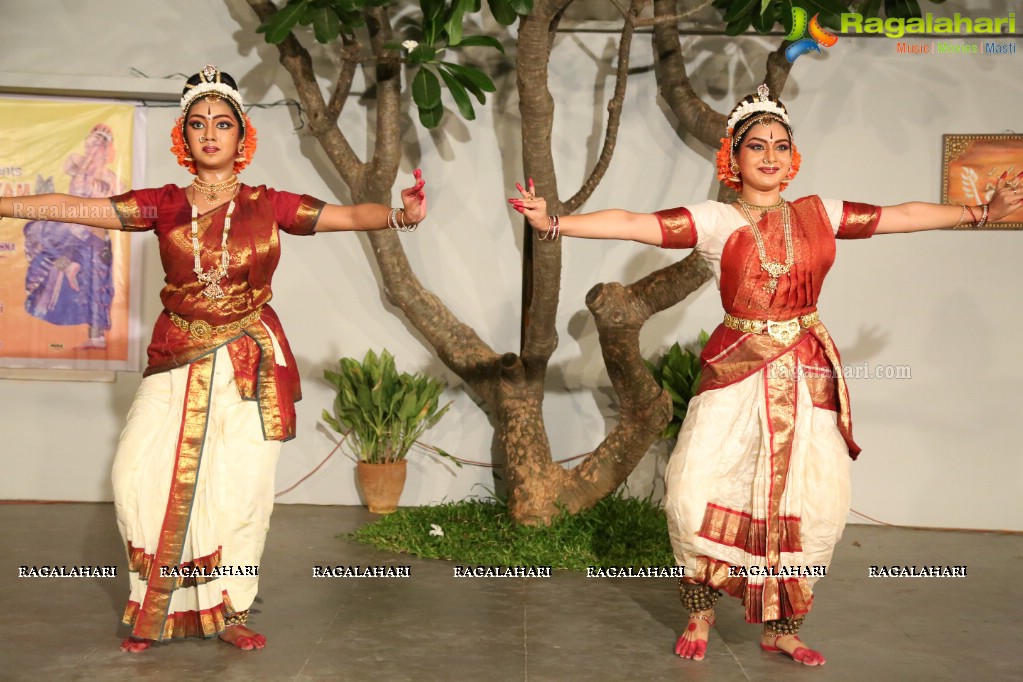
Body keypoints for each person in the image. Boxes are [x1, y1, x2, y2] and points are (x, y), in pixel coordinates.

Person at [510, 84, 1023, 667]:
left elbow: (899, 215)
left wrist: (980, 212)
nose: (771, 157)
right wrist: (555, 223)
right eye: (757, 147)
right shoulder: (713, 220)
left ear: (793, 156)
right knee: (694, 491)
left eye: (781, 145)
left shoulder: (818, 214)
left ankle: (783, 626)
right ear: (735, 157)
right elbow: (633, 222)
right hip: (737, 369)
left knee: (810, 500)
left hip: (806, 374)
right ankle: (699, 613)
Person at [0, 65, 427, 653]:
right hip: (177, 353)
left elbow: (351, 216)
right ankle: (156, 609)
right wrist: (6, 205)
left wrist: (402, 213)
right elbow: (80, 207)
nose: (209, 133)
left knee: (239, 490)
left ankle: (229, 611)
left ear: (240, 136)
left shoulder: (267, 204)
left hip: (247, 362)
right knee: (134, 476)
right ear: (185, 136)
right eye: (198, 124)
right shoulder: (164, 204)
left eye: (221, 124)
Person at [23, 123, 121, 349]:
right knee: (35, 229)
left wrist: (99, 185)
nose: (92, 147)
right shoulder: (78, 165)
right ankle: (66, 265)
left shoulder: (110, 178)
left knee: (96, 281)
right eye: (91, 142)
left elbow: (116, 204)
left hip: (93, 235)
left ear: (106, 149)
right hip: (72, 230)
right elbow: (70, 164)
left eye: (98, 144)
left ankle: (96, 337)